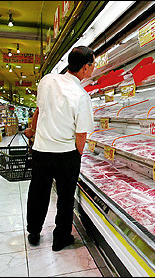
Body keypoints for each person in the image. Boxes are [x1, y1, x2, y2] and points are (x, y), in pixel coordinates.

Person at [24, 46, 95, 251]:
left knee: (38, 192)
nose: (93, 69)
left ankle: (34, 231)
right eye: (93, 65)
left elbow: (39, 109)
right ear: (84, 68)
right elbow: (81, 134)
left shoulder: (47, 80)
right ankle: (60, 238)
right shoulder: (81, 96)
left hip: (41, 150)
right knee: (65, 198)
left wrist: (34, 131)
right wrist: (77, 156)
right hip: (66, 155)